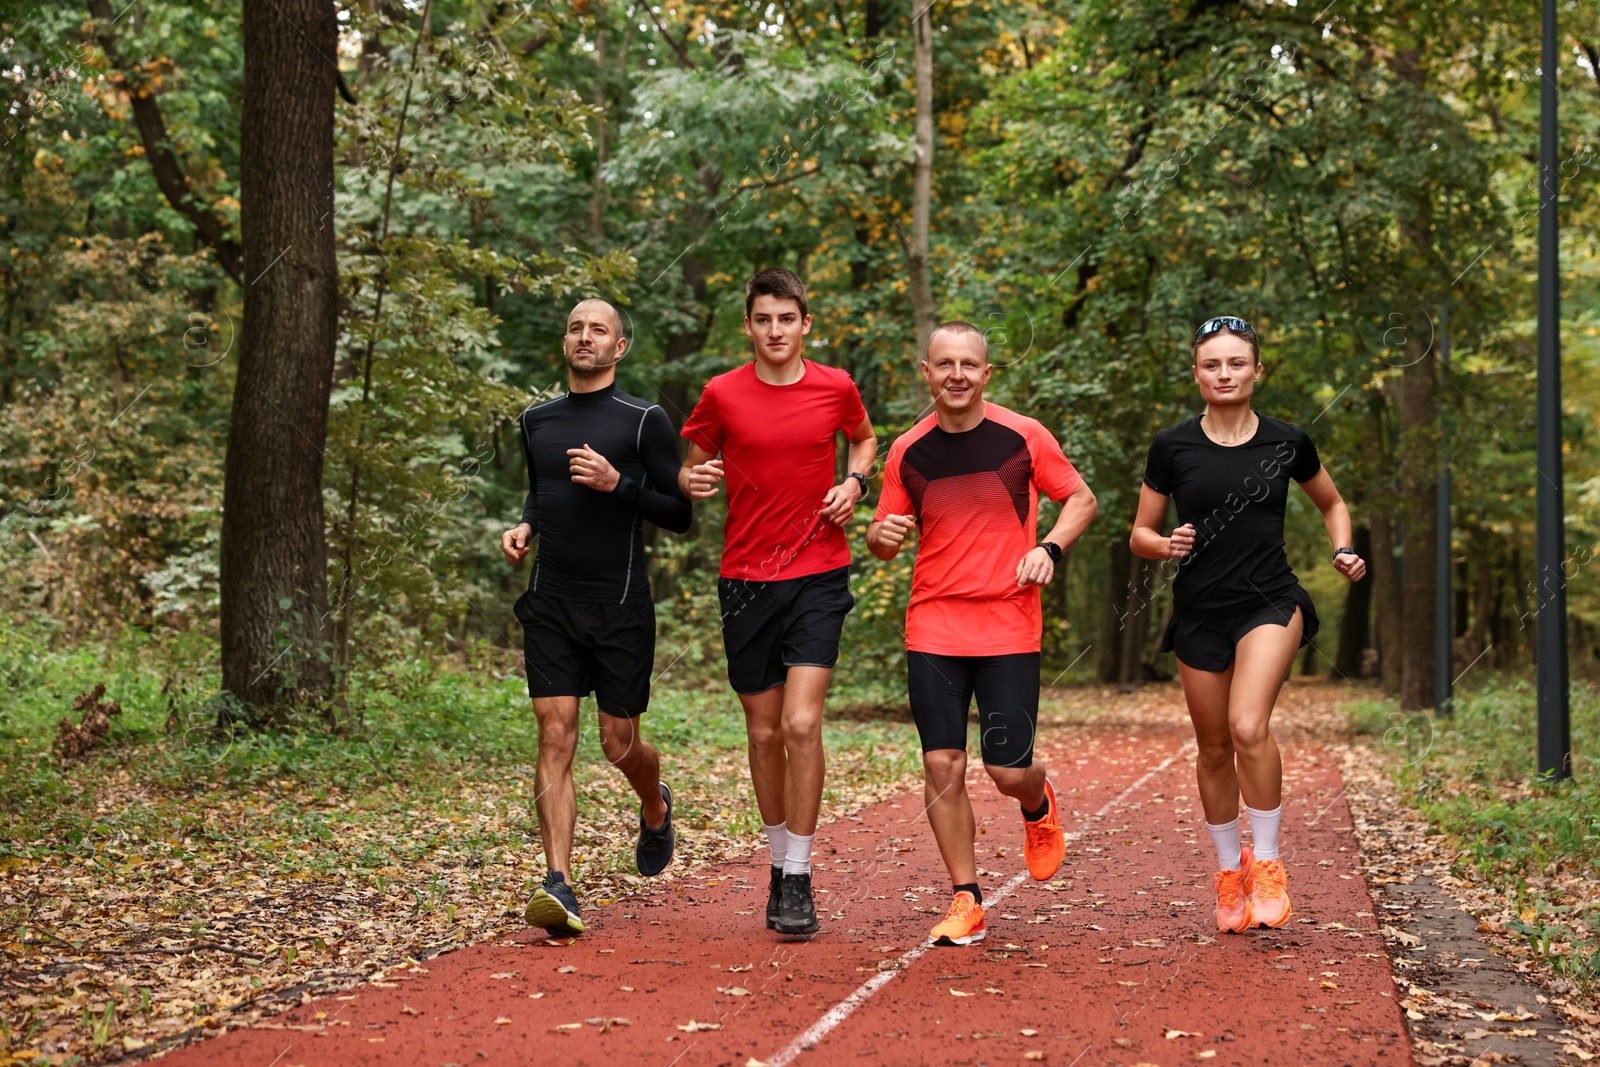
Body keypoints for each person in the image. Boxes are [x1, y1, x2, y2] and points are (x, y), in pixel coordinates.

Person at [1129, 315, 1366, 933]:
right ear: (1197, 374)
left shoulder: (1288, 442)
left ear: (1257, 370)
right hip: (1200, 609)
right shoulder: (1171, 444)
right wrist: (1165, 545)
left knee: (1246, 725)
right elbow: (1140, 533)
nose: (1225, 373)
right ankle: (1229, 873)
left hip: (1269, 602)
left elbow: (1332, 502)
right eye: (1213, 364)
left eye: (1237, 363)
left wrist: (1342, 548)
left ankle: (1268, 864)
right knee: (1212, 748)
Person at [867, 321, 1098, 947]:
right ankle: (966, 898)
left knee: (1005, 768)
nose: (957, 375)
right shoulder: (907, 451)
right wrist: (880, 536)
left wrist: (1049, 545)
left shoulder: (1023, 436)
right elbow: (884, 533)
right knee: (942, 761)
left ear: (986, 373)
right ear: (927, 371)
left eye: (969, 364)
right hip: (934, 623)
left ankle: (1036, 801)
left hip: (1008, 624)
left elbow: (1082, 499)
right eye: (944, 364)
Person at [678, 268, 876, 937]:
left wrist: (854, 481)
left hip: (819, 573)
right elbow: (693, 462)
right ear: (749, 326)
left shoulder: (836, 386)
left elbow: (865, 439)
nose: (774, 331)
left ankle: (799, 874)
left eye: (786, 319)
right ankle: (776, 859)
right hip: (744, 579)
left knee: (799, 723)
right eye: (762, 319)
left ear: (805, 324)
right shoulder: (722, 393)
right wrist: (693, 478)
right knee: (762, 732)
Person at [500, 298, 693, 938]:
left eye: (600, 330)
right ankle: (559, 884)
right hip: (551, 598)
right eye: (577, 328)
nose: (587, 338)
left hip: (619, 604)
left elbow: (678, 512)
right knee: (556, 734)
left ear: (619, 348)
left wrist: (618, 485)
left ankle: (654, 803)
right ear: (565, 342)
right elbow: (541, 488)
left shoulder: (645, 422)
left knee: (619, 743)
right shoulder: (536, 420)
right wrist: (526, 523)